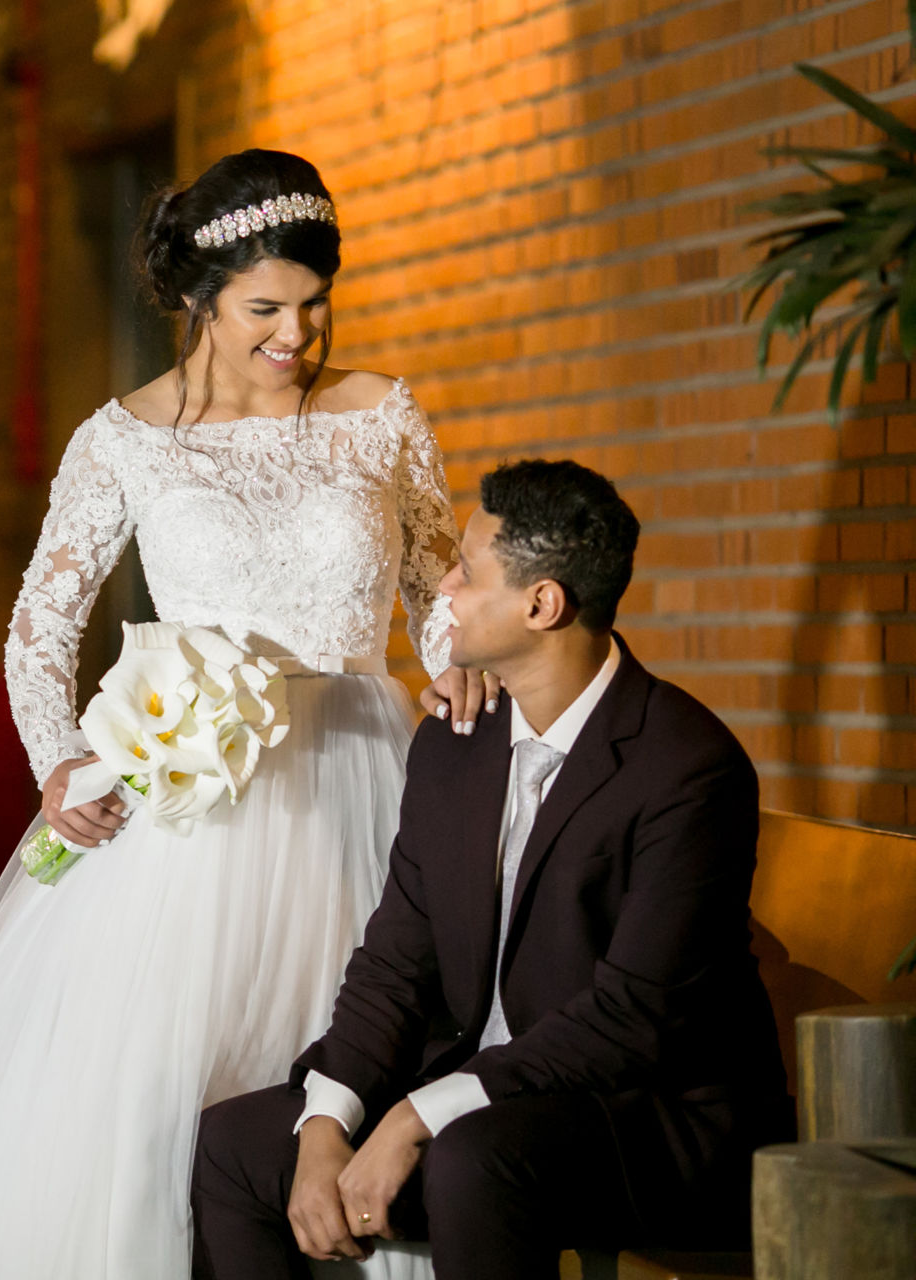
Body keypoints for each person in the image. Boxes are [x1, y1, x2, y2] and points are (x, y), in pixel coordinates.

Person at [0, 149, 487, 1280]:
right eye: (266, 308)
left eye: (315, 306)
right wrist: (65, 762)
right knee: (160, 1088)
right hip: (195, 802)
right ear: (201, 301)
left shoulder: (377, 414)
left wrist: (453, 661)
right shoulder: (123, 439)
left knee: (360, 1047)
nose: (297, 335)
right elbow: (39, 625)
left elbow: (437, 587)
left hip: (363, 777)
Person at [190, 460, 792, 1280]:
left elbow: (630, 1020)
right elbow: (397, 961)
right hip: (489, 1104)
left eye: (468, 573)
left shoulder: (687, 766)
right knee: (234, 1144)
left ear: (541, 605)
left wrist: (412, 1118)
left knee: (474, 1159)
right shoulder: (453, 744)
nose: (444, 586)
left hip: (655, 1120)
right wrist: (329, 1118)